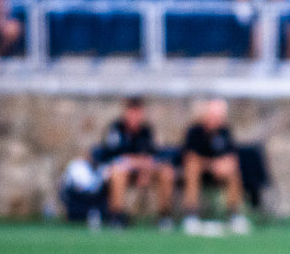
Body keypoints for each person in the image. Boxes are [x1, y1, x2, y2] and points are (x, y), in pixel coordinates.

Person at [93, 96, 176, 229]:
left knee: (167, 172)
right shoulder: (116, 129)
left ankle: (164, 216)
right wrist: (136, 162)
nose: (135, 116)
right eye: (132, 112)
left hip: (142, 171)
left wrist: (144, 169)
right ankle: (117, 216)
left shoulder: (146, 130)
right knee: (118, 171)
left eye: (138, 113)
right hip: (119, 172)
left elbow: (151, 156)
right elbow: (115, 157)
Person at [179, 97, 250, 236]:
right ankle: (191, 215)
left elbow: (232, 156)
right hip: (200, 171)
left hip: (219, 173)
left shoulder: (225, 131)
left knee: (232, 171)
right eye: (213, 116)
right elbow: (190, 157)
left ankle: (234, 215)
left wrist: (222, 165)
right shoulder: (195, 131)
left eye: (219, 117)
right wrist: (212, 165)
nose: (216, 120)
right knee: (192, 168)